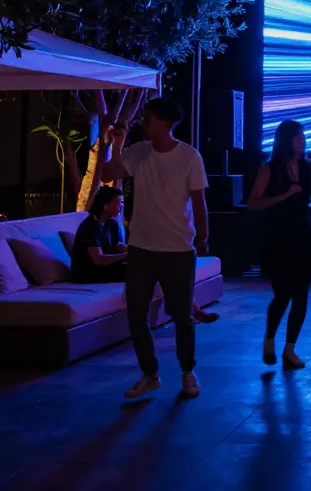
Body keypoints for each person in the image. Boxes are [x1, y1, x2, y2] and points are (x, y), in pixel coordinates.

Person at [101, 98, 209, 400]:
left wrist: (203, 237)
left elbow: (199, 201)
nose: (143, 124)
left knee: (182, 316)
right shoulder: (139, 153)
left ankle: (188, 371)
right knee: (136, 315)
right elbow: (106, 174)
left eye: (148, 119)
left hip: (177, 248)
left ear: (164, 123)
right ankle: (150, 374)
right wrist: (118, 142)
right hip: (141, 249)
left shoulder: (189, 157)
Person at [248, 120, 311, 369]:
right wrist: (282, 196)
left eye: (303, 137)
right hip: (278, 236)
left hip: (301, 234)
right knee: (282, 294)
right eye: (298, 137)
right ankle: (269, 339)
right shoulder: (269, 169)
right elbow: (253, 202)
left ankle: (290, 348)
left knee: (301, 294)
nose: (303, 140)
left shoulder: (307, 166)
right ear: (286, 139)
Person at [71, 187, 220, 323]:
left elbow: (119, 248)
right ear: (105, 204)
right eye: (118, 202)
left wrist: (140, 250)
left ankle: (192, 310)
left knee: (162, 268)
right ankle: (191, 311)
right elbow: (98, 260)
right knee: (153, 272)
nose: (121, 206)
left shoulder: (111, 224)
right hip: (90, 273)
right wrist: (128, 256)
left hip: (110, 267)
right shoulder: (90, 227)